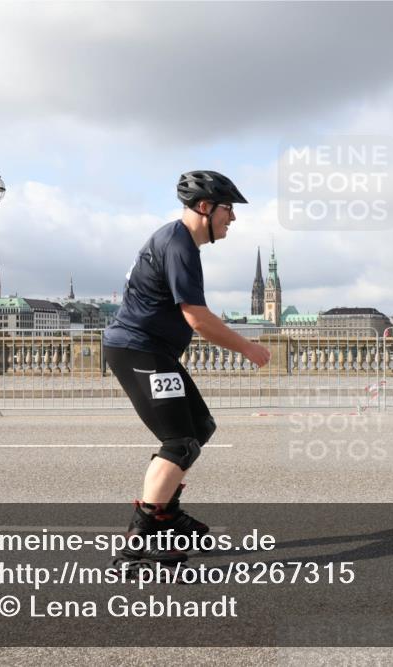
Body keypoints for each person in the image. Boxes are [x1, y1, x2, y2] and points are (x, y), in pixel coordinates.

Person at [103, 170, 271, 570]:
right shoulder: (178, 245)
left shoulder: (175, 241)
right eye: (228, 209)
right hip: (139, 351)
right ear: (205, 207)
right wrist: (248, 347)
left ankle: (167, 515)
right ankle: (137, 543)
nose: (233, 218)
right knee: (180, 442)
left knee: (200, 427)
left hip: (151, 351)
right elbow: (196, 317)